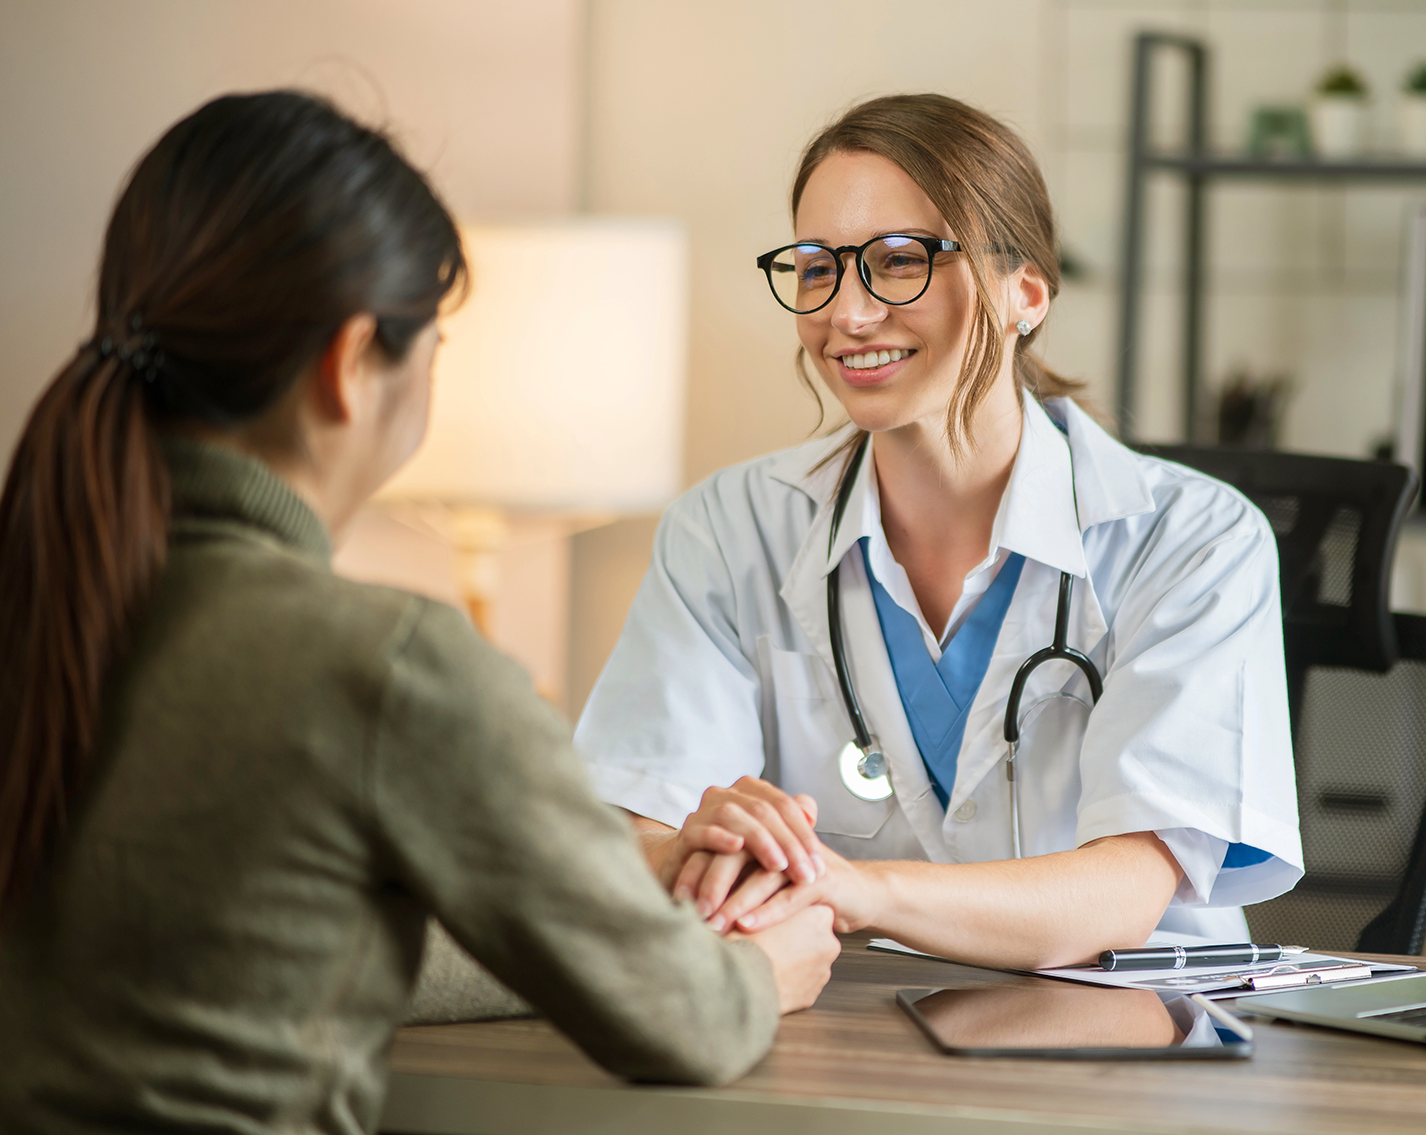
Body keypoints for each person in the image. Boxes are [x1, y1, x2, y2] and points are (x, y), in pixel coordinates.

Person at [0, 91, 838, 1134]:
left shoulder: (51, 597)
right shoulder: (387, 664)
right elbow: (686, 1023)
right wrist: (763, 965)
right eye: (433, 342)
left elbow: (304, 935)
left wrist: (633, 874)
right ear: (352, 364)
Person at [575, 94, 1302, 970]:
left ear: (1022, 293)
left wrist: (852, 888)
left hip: (1136, 1040)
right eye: (816, 268)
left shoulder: (1194, 540)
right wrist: (690, 852)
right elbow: (638, 826)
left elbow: (1127, 888)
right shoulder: (727, 530)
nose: (846, 314)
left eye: (896, 261)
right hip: (856, 1031)